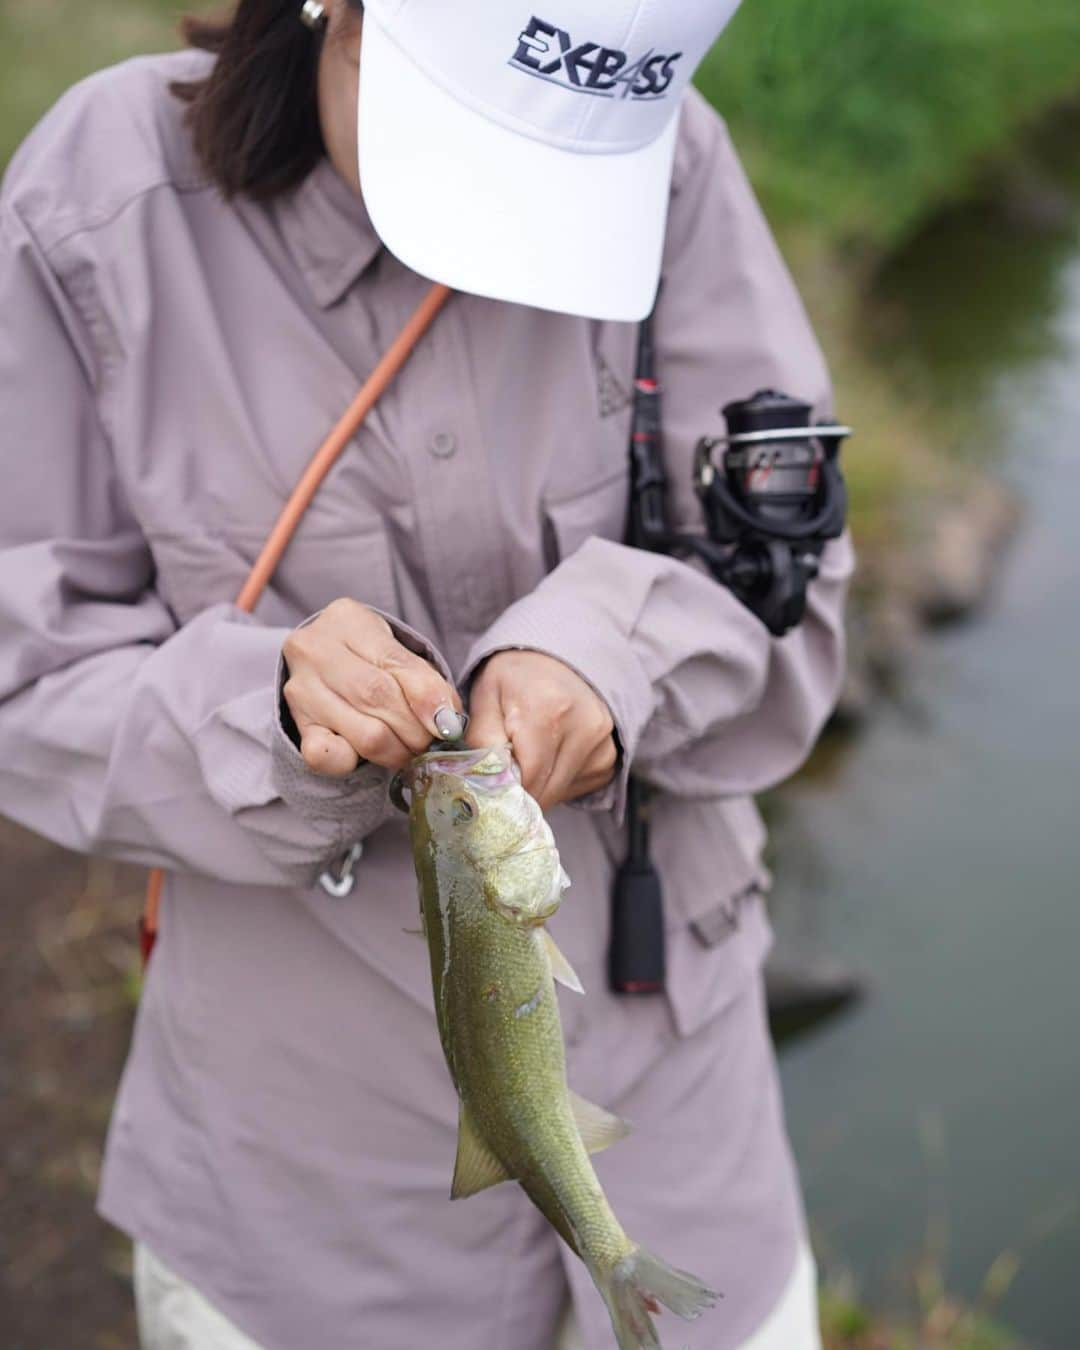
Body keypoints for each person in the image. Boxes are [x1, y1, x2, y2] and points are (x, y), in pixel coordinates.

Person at [0, 0, 853, 1346]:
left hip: (685, 1117)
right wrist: (264, 714)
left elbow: (791, 588)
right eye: (472, 135)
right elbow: (24, 672)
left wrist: (610, 652)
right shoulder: (93, 202)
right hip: (306, 1190)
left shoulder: (672, 159)